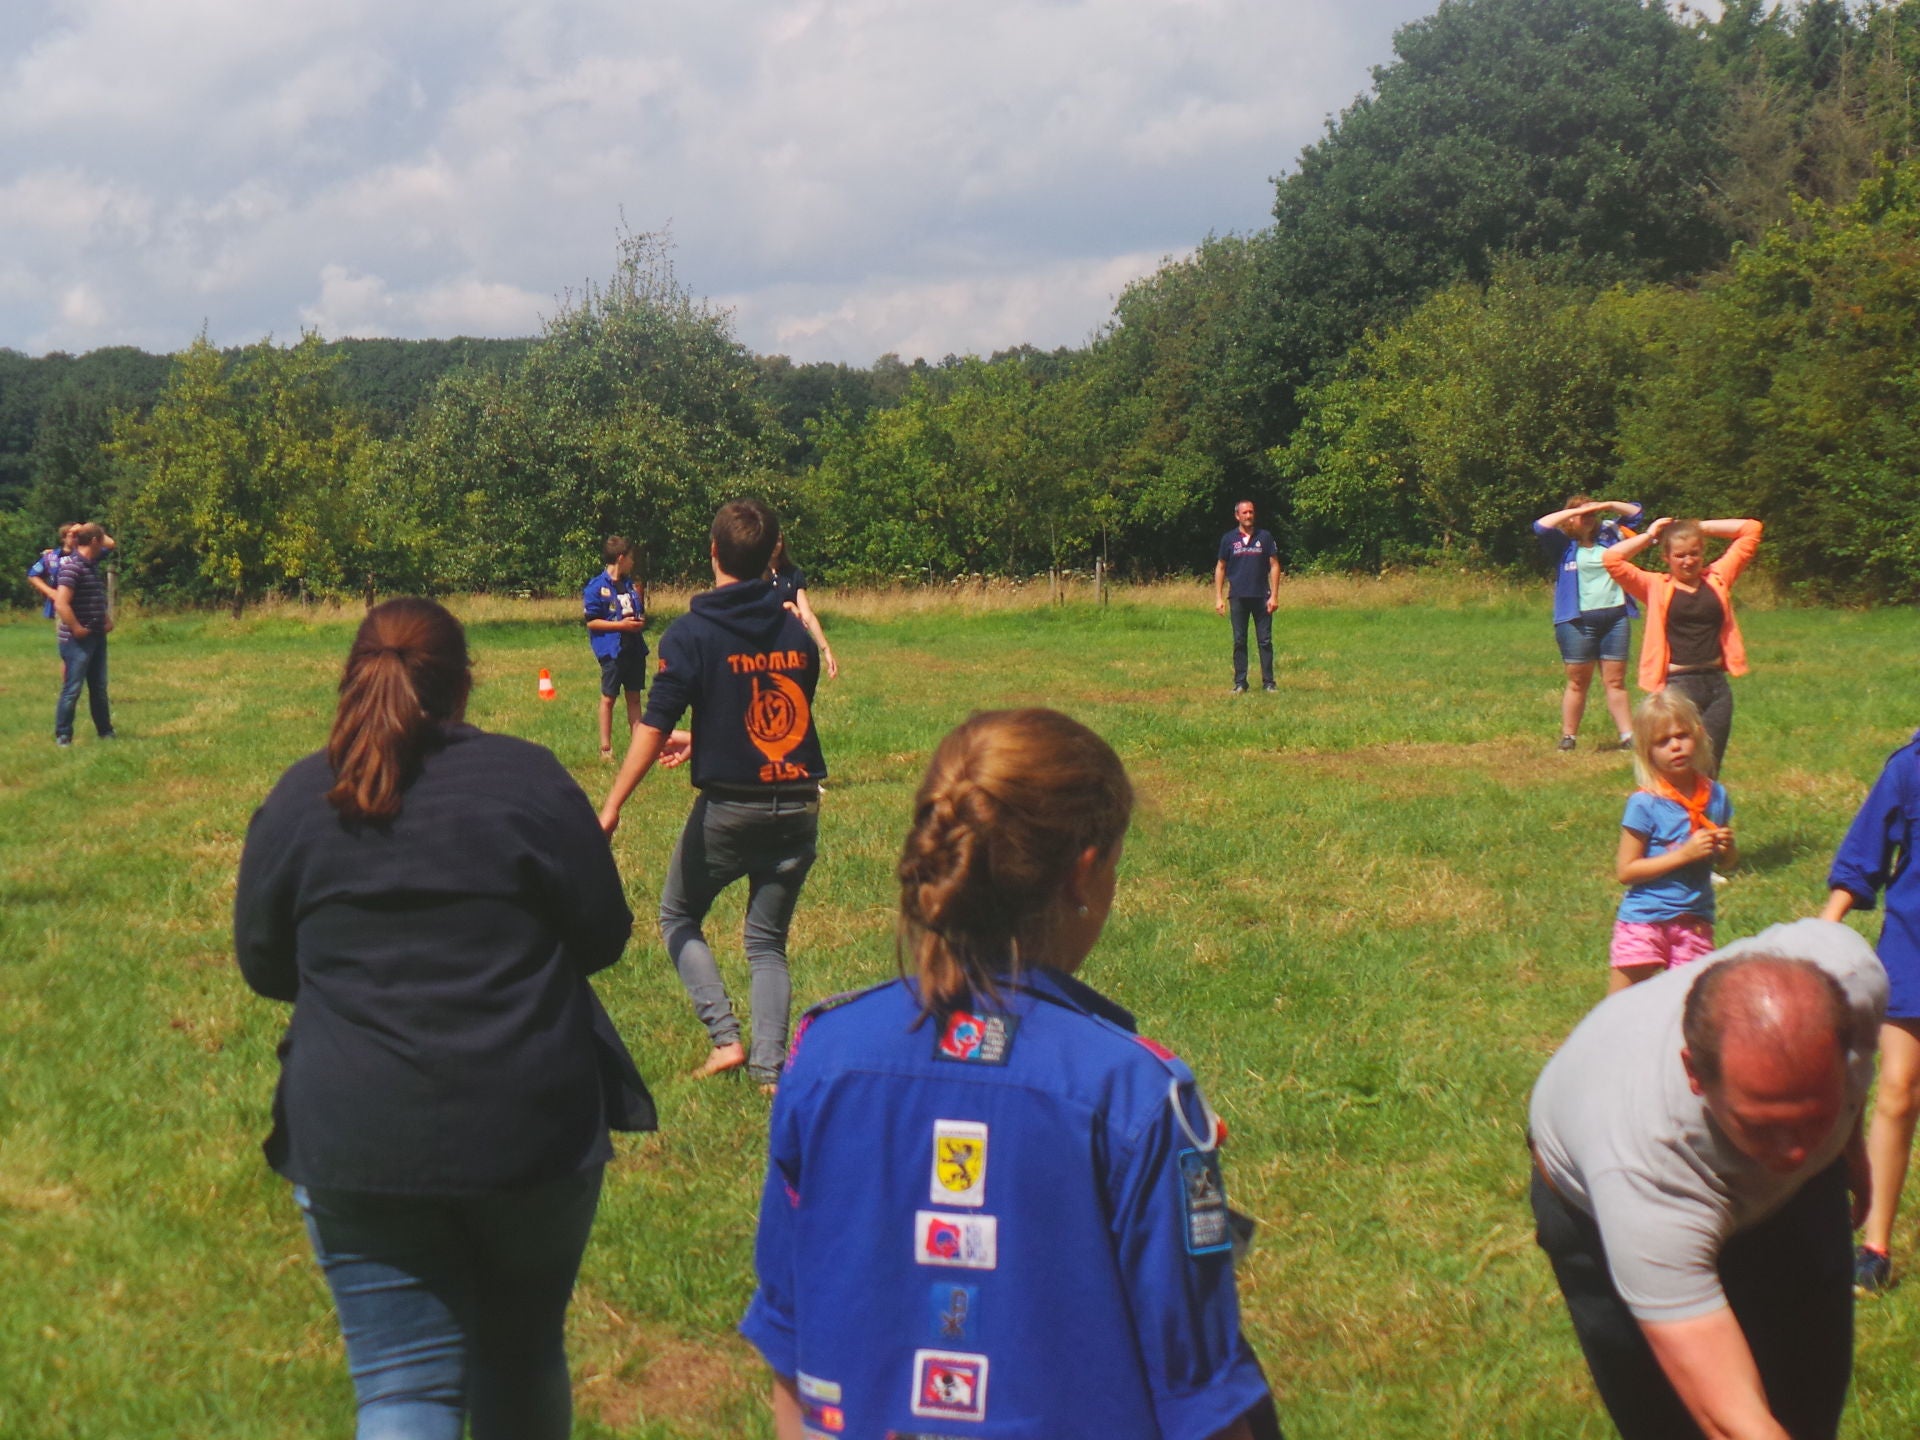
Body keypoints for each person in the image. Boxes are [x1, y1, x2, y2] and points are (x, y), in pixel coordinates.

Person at [741, 708, 1283, 1439]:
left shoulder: (822, 1056)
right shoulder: (1136, 1095)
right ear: (1083, 873)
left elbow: (792, 1354)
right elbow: (1202, 1399)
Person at [234, 597, 651, 1440]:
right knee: (522, 1355)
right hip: (531, 1122)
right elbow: (603, 934)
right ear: (464, 684)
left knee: (402, 1387)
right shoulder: (530, 780)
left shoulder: (302, 797)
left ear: (353, 679)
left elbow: (265, 964)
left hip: (354, 1128)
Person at [1529, 919, 1885, 1440]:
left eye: (1814, 1117)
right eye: (1762, 1126)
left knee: (1808, 1406)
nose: (1796, 1154)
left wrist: (1849, 1146)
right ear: (1694, 1074)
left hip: (1765, 1204)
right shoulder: (1645, 1165)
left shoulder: (1851, 978)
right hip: (1604, 1213)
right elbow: (1731, 1421)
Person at [601, 500, 826, 1094]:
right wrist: (702, 738)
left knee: (678, 915)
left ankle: (726, 1040)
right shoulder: (796, 634)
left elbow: (652, 725)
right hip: (799, 803)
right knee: (767, 942)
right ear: (772, 556)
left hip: (732, 809)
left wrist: (613, 805)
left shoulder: (692, 634)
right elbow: (778, 722)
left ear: (714, 553)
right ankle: (769, 1073)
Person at [1822, 728, 1920, 1295]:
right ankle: (1876, 1245)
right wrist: (1823, 927)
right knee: (1898, 1089)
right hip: (1913, 946)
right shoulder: (1909, 768)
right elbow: (1865, 854)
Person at [1603, 516, 1764, 771]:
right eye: (1679, 555)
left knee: (1710, 767)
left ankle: (1705, 800)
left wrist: (1697, 527)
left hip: (1716, 686)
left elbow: (1751, 530)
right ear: (1666, 558)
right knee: (1680, 767)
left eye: (1694, 553)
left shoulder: (1717, 578)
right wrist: (1650, 536)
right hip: (1678, 687)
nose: (1688, 561)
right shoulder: (1655, 586)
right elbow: (1612, 559)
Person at [1610, 691, 1736, 993]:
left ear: (1699, 735)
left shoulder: (1715, 796)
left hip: (1694, 920)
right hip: (1645, 920)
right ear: (1647, 751)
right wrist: (1683, 855)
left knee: (1688, 1006)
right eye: (1662, 741)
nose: (1675, 746)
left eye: (1682, 736)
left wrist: (1727, 849)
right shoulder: (1645, 803)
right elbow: (1626, 871)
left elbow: (1728, 864)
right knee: (1621, 1005)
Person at [1532, 496, 1642, 751]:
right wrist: (1571, 513)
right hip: (1577, 621)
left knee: (1615, 681)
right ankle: (1569, 736)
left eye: (1592, 514)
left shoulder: (1610, 536)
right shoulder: (1563, 544)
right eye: (1583, 515)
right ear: (1570, 519)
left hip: (1615, 616)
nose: (1590, 518)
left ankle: (1627, 736)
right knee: (1578, 682)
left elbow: (1636, 514)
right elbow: (1540, 526)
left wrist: (1607, 505)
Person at [582, 535, 649, 760]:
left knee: (635, 697)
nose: (633, 562)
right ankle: (606, 749)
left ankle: (638, 748)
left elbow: (639, 612)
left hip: (634, 648)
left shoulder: (630, 585)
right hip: (612, 651)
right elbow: (592, 621)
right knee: (609, 697)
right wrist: (620, 626)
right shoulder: (596, 587)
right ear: (621, 558)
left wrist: (639, 621)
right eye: (630, 558)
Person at [52, 523, 115, 746]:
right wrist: (77, 628)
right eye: (100, 539)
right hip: (76, 640)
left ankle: (105, 732)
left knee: (98, 688)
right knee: (73, 689)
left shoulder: (91, 565)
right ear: (95, 541)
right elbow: (61, 603)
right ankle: (63, 735)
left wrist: (105, 619)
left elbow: (93, 598)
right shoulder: (72, 567)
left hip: (96, 636)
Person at [1213, 500, 1281, 694]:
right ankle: (1240, 683)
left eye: (1251, 512)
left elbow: (1274, 565)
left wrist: (1274, 595)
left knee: (1265, 641)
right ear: (1237, 516)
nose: (1249, 516)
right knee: (1239, 640)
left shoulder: (1265, 537)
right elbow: (1221, 567)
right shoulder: (1228, 539)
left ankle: (1269, 683)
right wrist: (1218, 597)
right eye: (1245, 513)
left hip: (1262, 597)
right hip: (1238, 597)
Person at [767, 534, 838, 680]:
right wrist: (786, 607)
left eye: (779, 540)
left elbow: (807, 614)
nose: (775, 544)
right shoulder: (754, 573)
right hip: (765, 643)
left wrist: (826, 649)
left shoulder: (793, 573)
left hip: (789, 641)